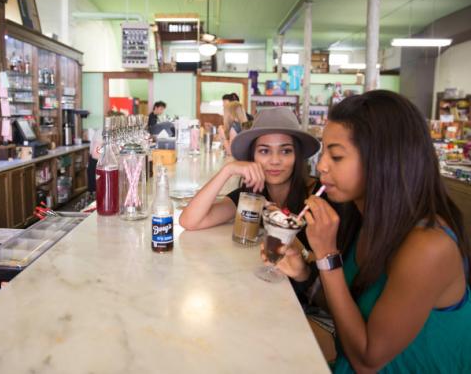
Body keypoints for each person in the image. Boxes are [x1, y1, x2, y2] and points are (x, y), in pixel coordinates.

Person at [270, 90, 471, 372]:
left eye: (336, 156)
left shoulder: (430, 246)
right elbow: (346, 310)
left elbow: (367, 361)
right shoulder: (362, 216)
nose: (322, 165)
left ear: (384, 159)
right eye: (324, 150)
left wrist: (327, 255)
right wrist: (305, 271)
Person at [179, 107, 321, 233]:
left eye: (286, 151)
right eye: (265, 151)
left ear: (297, 155)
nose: (275, 161)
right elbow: (189, 221)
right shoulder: (249, 197)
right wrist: (227, 171)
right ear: (252, 156)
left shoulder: (319, 195)